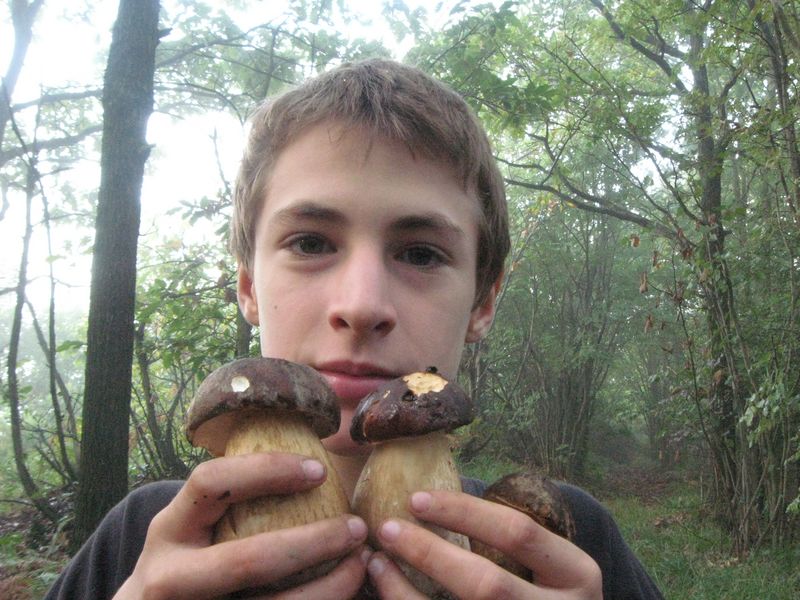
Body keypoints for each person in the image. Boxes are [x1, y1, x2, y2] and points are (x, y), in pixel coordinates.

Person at [46, 58, 663, 599]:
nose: (362, 306)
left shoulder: (563, 548)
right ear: (249, 288)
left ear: (483, 301)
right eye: (311, 243)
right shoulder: (139, 543)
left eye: (420, 254)